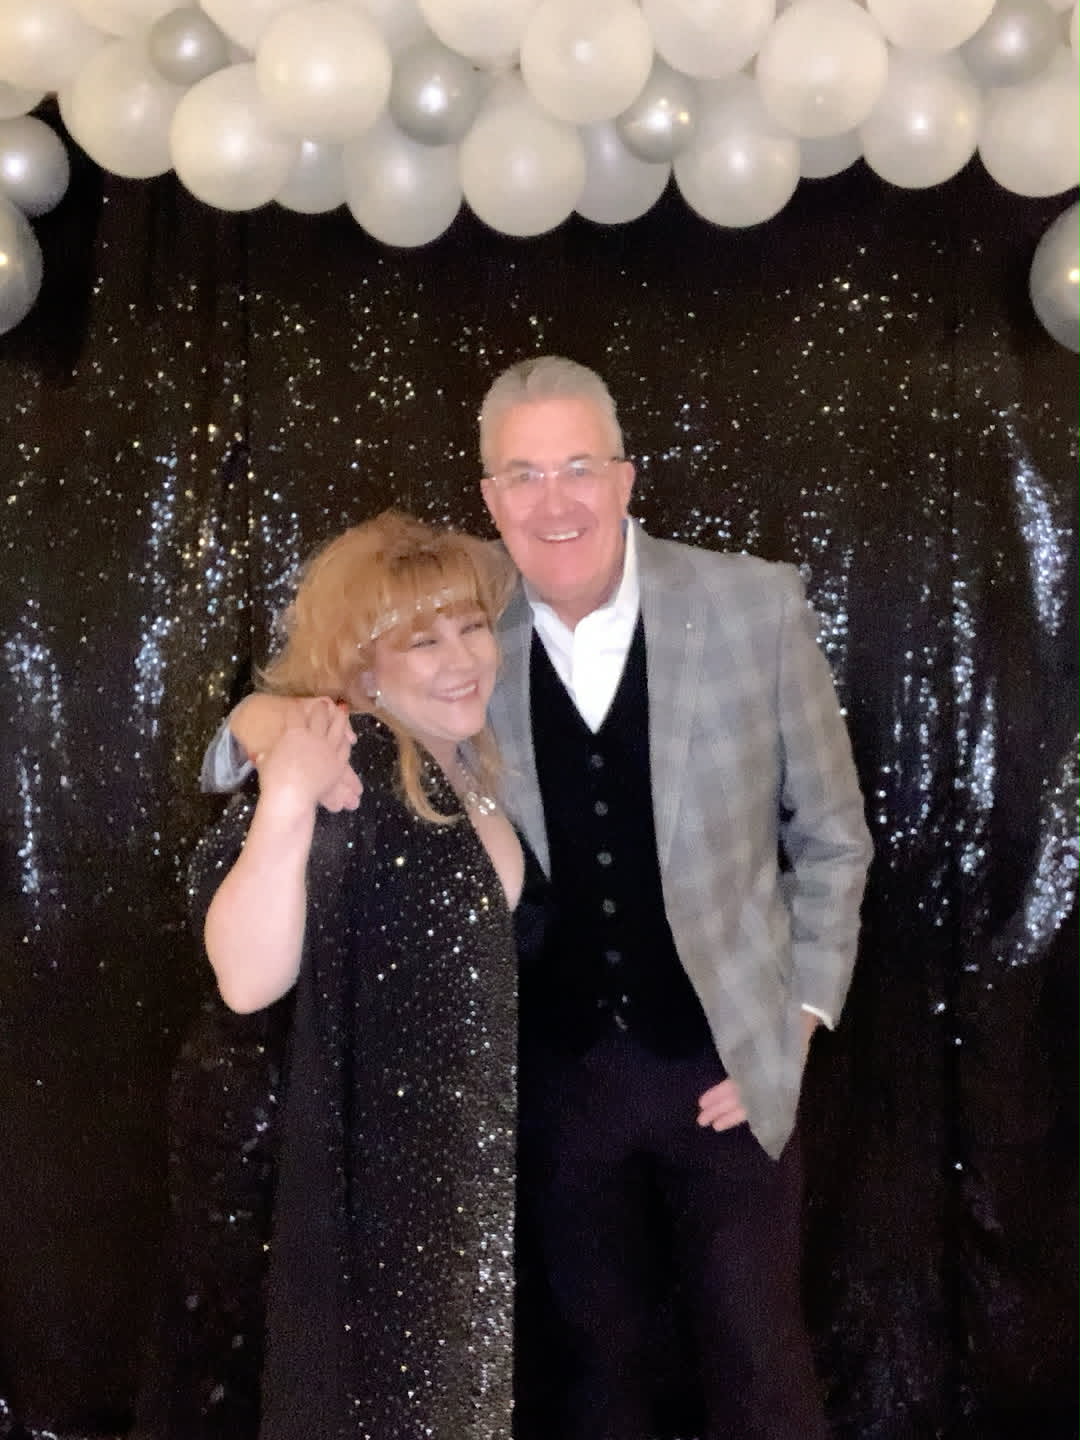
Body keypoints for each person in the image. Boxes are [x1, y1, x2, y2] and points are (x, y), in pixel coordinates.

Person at [206, 357, 873, 1439]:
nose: (553, 500)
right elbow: (299, 690)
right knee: (588, 1371)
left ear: (625, 476)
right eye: (522, 474)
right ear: (489, 496)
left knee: (760, 1359)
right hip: (547, 1078)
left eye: (577, 467)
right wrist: (269, 728)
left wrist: (795, 1023)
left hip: (727, 1062)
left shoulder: (753, 602)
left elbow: (834, 838)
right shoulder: (469, 613)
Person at [185, 509, 532, 1440]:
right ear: (362, 667)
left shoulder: (465, 761)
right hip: (370, 1185)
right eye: (422, 640)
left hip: (456, 1168)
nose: (462, 657)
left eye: (470, 627)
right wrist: (287, 794)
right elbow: (246, 976)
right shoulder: (355, 764)